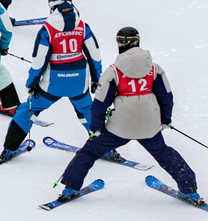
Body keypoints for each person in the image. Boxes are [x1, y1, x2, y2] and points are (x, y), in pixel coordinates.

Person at [55, 26, 200, 202]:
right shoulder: (155, 69)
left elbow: (100, 104)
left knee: (89, 152)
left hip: (119, 128)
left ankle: (70, 187)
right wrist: (165, 120)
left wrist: (96, 128)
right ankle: (189, 189)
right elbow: (167, 98)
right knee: (164, 153)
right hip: (149, 126)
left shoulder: (114, 71)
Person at [0, 0, 103, 162]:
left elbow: (39, 61)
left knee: (28, 110)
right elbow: (94, 56)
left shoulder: (47, 29)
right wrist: (97, 79)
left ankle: (8, 149)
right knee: (88, 112)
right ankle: (105, 148)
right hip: (79, 83)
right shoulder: (83, 26)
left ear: (51, 5)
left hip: (52, 83)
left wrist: (32, 83)